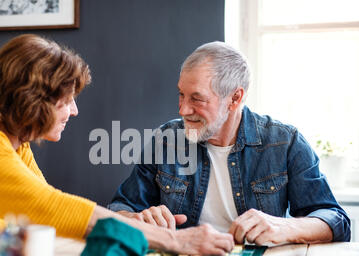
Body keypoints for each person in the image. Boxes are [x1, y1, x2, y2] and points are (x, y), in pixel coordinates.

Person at [0, 34, 234, 256]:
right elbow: (53, 209)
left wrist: (133, 227)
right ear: (34, 99)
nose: (74, 111)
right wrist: (176, 241)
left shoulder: (10, 141)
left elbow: (47, 212)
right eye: (67, 100)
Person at [109, 41, 351, 245]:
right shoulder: (166, 140)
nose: (182, 109)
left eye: (197, 99)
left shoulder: (285, 142)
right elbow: (120, 207)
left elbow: (335, 220)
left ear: (235, 98)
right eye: (181, 94)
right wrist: (138, 218)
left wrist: (284, 227)